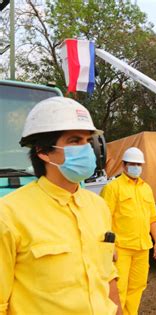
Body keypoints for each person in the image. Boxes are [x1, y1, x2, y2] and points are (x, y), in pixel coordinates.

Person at [0, 97, 121, 314]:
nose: (86, 149)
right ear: (43, 152)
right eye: (75, 141)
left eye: (88, 141)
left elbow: (107, 276)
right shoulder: (8, 214)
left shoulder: (98, 206)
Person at [100, 147, 156, 315]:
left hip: (142, 248)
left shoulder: (146, 188)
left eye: (139, 164)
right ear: (124, 165)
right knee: (119, 288)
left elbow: (152, 218)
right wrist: (109, 247)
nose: (136, 167)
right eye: (132, 164)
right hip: (121, 249)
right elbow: (104, 219)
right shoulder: (112, 188)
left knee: (137, 287)